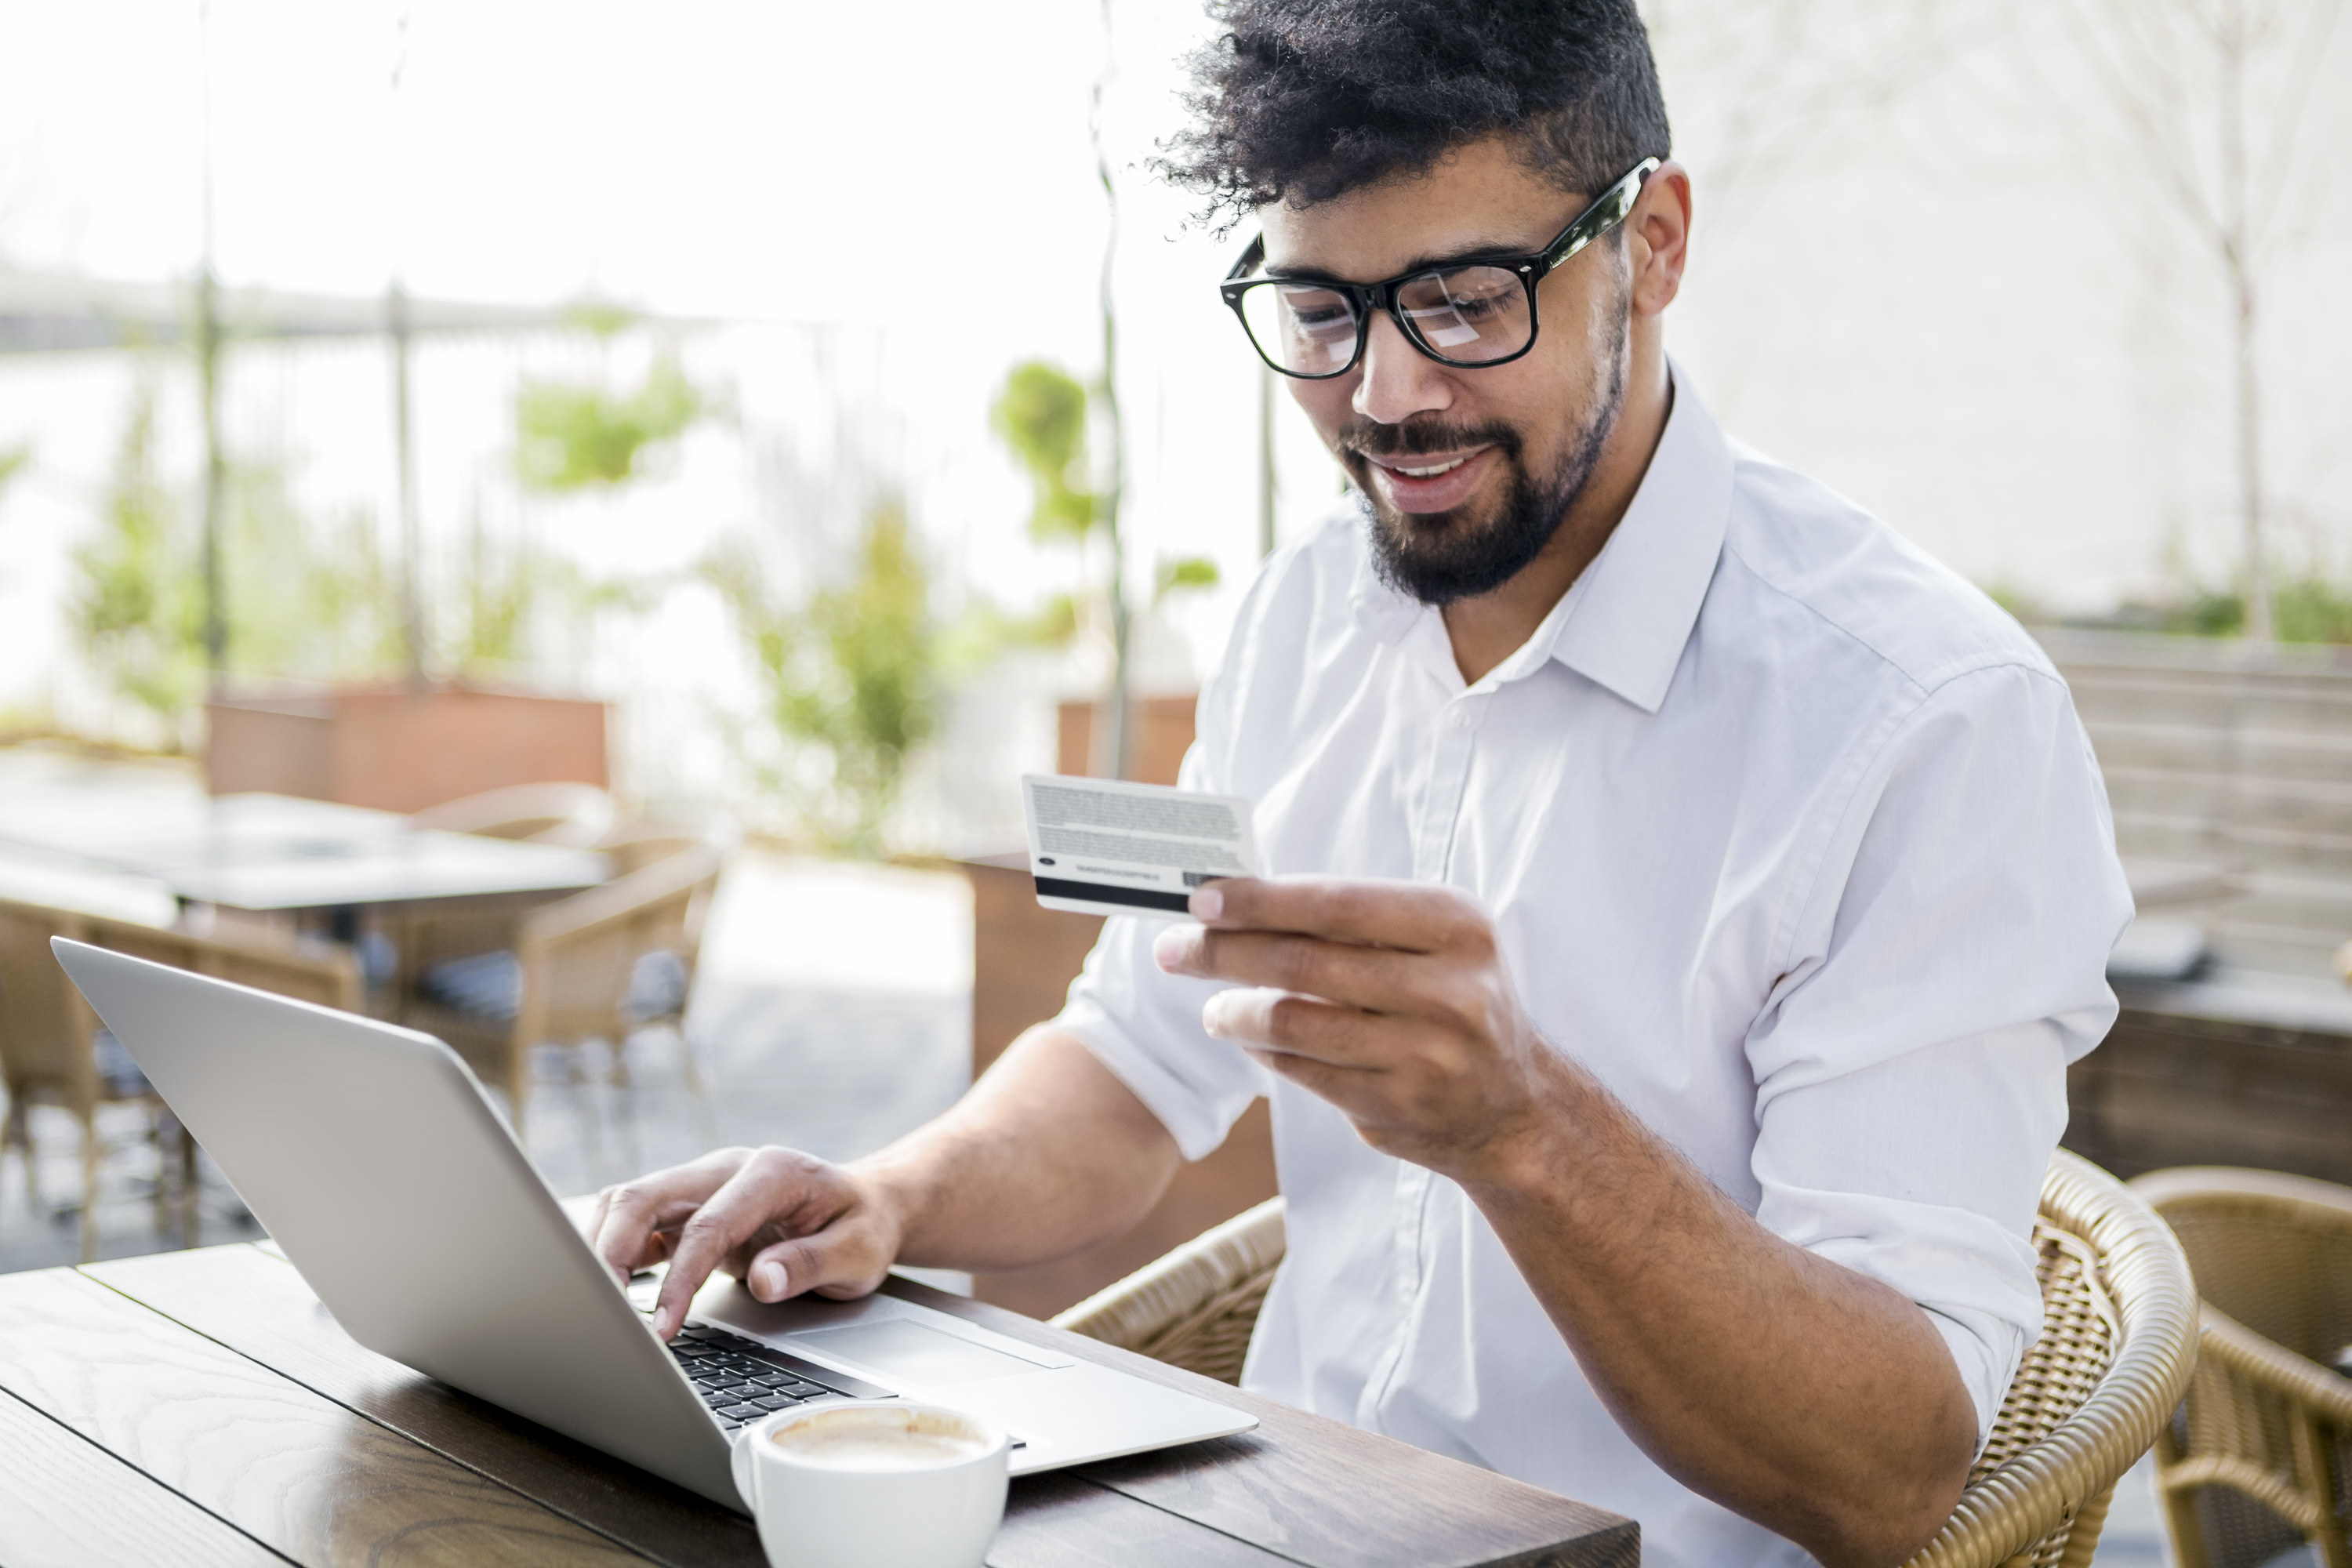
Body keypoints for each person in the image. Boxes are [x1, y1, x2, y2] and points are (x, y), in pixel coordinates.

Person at [591, 4, 2132, 1563]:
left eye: (1464, 303)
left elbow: (1890, 1467)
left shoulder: (1932, 724)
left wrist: (1524, 1126)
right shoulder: (1299, 618)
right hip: (1271, 1527)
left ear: (1653, 243)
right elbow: (1135, 1055)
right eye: (1321, 311)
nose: (1386, 395)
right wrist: (886, 1193)